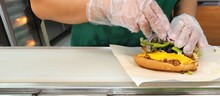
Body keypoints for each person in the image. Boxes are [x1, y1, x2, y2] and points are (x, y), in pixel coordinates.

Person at [30, 0, 208, 55]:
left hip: (163, 55)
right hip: (93, 56)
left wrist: (185, 16)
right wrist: (102, 5)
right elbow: (41, 4)